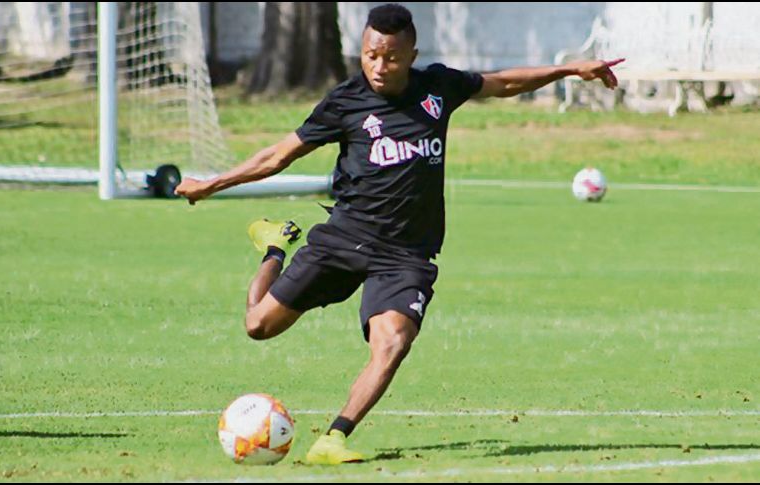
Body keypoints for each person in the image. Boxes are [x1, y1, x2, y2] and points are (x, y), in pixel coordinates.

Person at [175, 3, 623, 465]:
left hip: (405, 255)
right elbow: (277, 155)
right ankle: (275, 246)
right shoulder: (345, 101)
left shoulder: (439, 87)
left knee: (392, 342)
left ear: (411, 54)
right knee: (258, 327)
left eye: (390, 57)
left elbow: (504, 82)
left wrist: (570, 68)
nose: (379, 66)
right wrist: (212, 184)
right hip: (344, 237)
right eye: (370, 55)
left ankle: (333, 438)